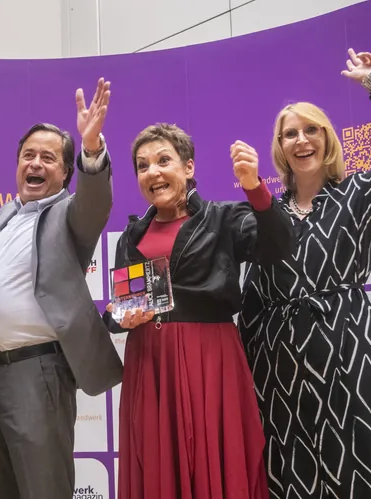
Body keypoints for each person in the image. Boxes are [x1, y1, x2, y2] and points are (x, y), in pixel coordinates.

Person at [0, 77, 122, 499]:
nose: (35, 163)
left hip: (37, 375)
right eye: (28, 155)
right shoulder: (5, 216)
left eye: (47, 157)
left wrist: (92, 146)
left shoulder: (70, 214)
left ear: (63, 171)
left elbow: (96, 202)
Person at [239, 49, 371, 498]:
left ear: (328, 138)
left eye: (311, 129)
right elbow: (250, 300)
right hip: (279, 365)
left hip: (346, 350)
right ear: (280, 147)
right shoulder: (261, 213)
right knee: (288, 471)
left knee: (355, 466)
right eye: (290, 133)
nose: (301, 139)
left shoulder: (362, 191)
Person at [102, 122, 294, 498]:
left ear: (188, 167)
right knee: (156, 466)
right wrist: (117, 318)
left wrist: (255, 187)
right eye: (143, 166)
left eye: (163, 160)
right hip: (150, 364)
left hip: (210, 359)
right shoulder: (132, 235)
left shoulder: (224, 218)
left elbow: (279, 246)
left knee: (216, 466)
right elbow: (121, 310)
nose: (153, 172)